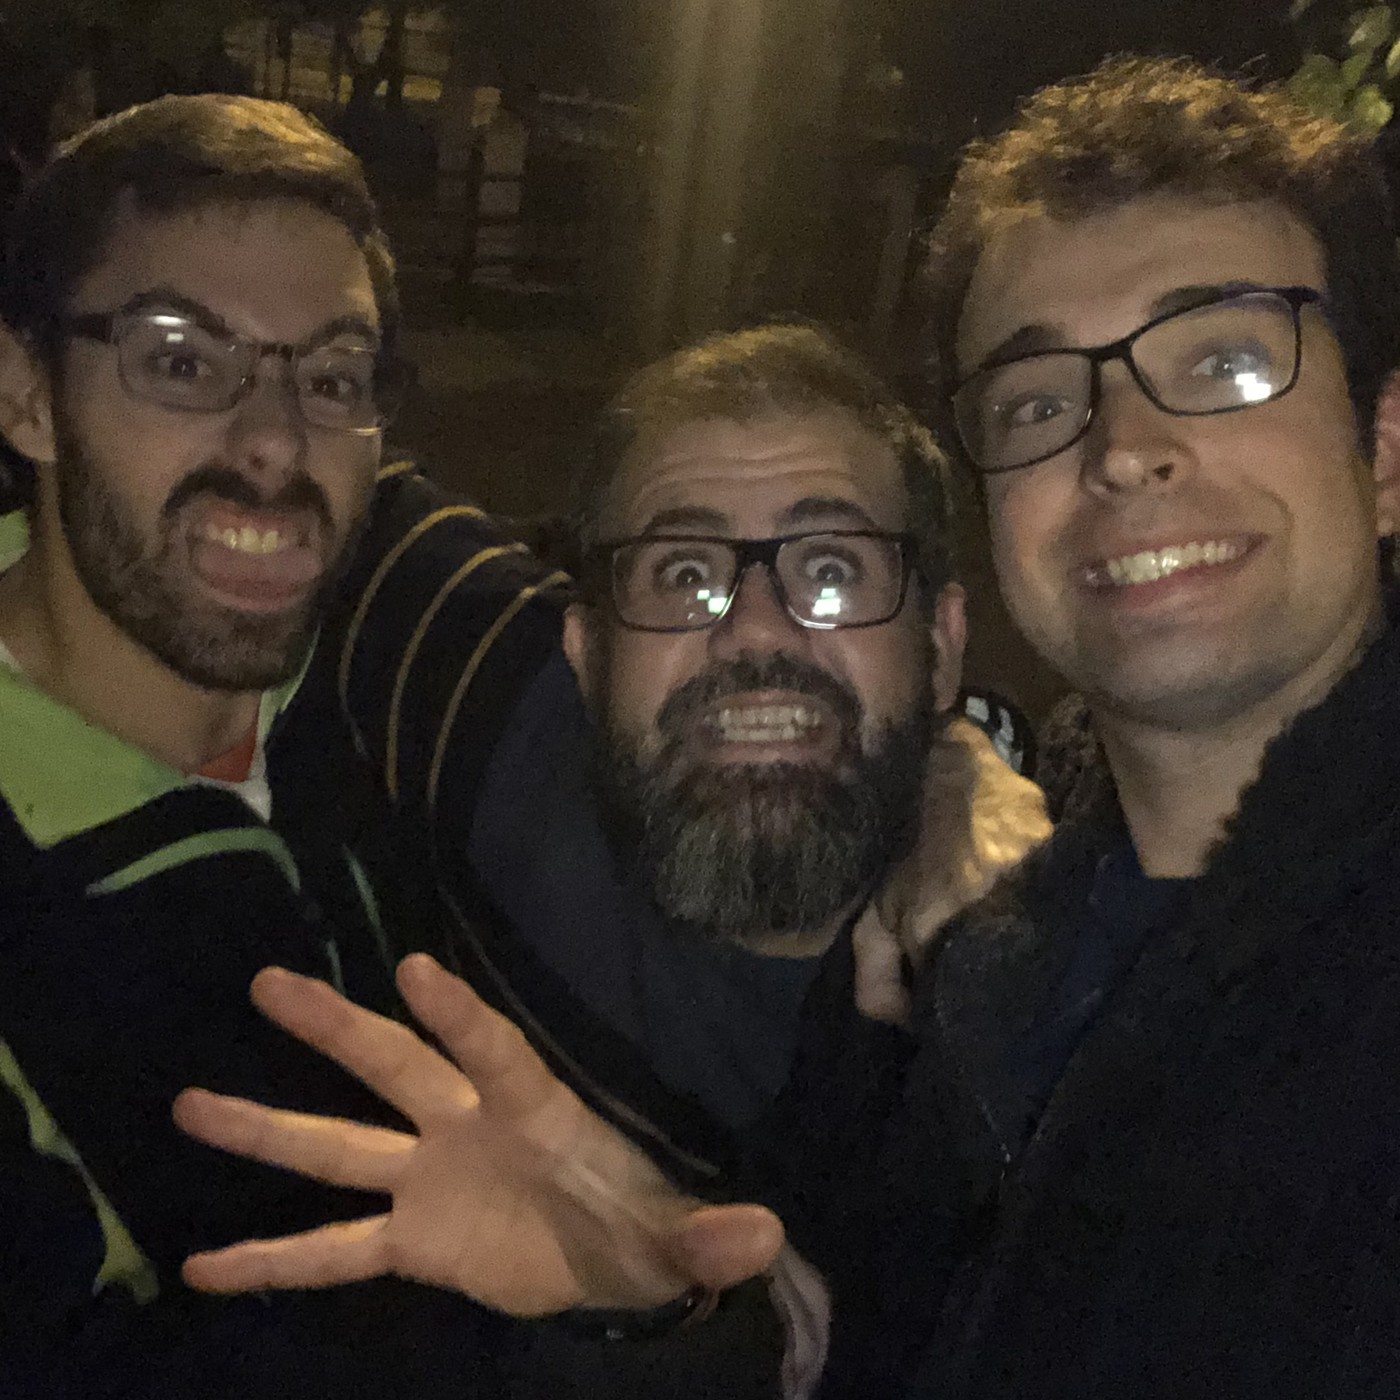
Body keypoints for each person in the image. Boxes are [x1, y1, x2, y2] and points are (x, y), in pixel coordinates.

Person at [175, 52, 1400, 1400]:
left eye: (1226, 361)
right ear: (585, 647)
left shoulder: (1035, 956)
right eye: (1044, 401)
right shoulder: (942, 994)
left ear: (1385, 448)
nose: (1123, 447)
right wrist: (667, 1310)